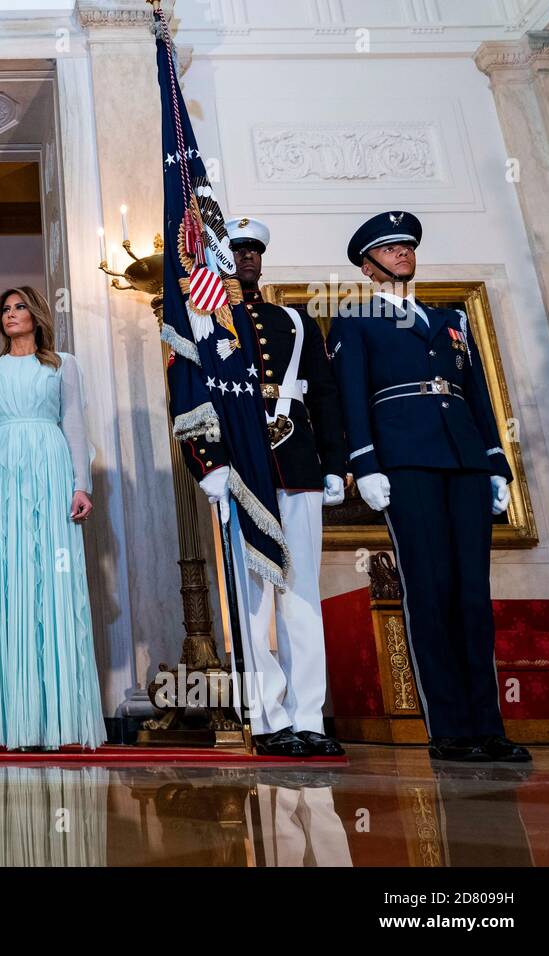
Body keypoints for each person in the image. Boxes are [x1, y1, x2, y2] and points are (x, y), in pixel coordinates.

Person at [328, 210, 528, 763]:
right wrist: (365, 464)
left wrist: (495, 464)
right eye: (389, 250)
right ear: (367, 267)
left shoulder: (449, 319)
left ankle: (489, 727)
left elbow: (478, 395)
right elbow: (351, 398)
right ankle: (449, 729)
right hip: (406, 462)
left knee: (472, 595)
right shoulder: (355, 319)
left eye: (406, 247)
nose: (402, 255)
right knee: (429, 591)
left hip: (462, 457)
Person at [208, 216, 347, 757]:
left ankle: (311, 717)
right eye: (236, 250)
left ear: (261, 258)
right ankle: (270, 719)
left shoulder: (294, 318)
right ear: (223, 259)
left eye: (252, 250)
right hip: (244, 467)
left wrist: (335, 463)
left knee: (303, 594)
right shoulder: (211, 321)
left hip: (297, 462)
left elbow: (326, 395)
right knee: (254, 600)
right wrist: (213, 464)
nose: (245, 258)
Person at [0, 286, 105, 751]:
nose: (10, 314)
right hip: (0, 474)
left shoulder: (62, 364)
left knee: (52, 583)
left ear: (37, 314)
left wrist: (80, 484)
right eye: (4, 309)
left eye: (19, 306)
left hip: (50, 470)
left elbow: (75, 423)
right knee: (5, 584)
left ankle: (57, 721)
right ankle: (13, 723)